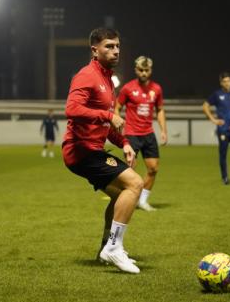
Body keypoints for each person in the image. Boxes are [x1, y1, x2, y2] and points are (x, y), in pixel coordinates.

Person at [62, 28, 143, 274]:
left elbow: (106, 125)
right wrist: (107, 114)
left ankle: (105, 249)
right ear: (95, 50)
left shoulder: (108, 80)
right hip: (81, 151)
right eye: (109, 46)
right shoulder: (87, 75)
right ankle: (114, 248)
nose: (115, 50)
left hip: (92, 150)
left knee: (122, 195)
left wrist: (125, 143)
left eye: (117, 46)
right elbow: (71, 109)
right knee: (135, 185)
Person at [115, 56, 167, 212]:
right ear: (136, 70)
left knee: (153, 169)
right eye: (141, 70)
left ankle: (142, 201)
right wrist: (118, 123)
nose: (144, 73)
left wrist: (163, 130)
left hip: (148, 134)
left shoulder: (156, 89)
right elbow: (117, 107)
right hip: (132, 134)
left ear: (150, 70)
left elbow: (160, 110)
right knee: (130, 171)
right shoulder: (128, 88)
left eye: (147, 70)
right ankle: (123, 199)